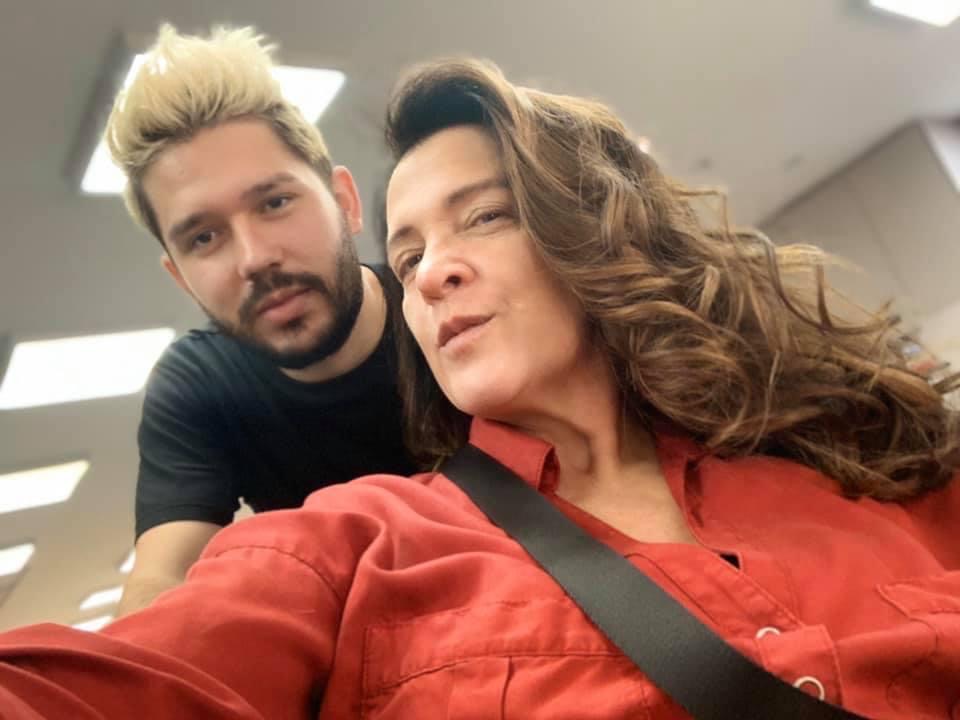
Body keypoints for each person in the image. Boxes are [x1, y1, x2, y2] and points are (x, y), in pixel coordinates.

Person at [1, 58, 959, 720]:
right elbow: (157, 628)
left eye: (487, 218)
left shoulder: (845, 461)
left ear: (340, 202)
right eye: (410, 253)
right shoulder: (345, 531)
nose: (431, 274)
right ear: (177, 275)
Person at [105, 25, 416, 615]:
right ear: (181, 277)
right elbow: (160, 579)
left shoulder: (442, 302)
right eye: (204, 237)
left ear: (345, 203)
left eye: (275, 203)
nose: (253, 259)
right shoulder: (198, 384)